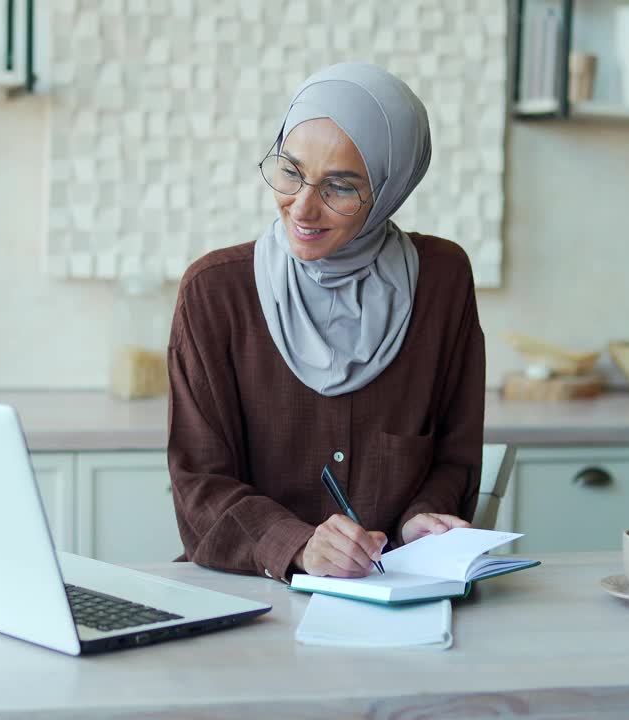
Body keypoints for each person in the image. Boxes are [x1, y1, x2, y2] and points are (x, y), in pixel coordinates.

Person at [167, 63, 485, 581]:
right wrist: (296, 545)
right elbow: (198, 485)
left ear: (390, 188)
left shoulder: (442, 282)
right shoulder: (214, 291)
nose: (303, 208)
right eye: (291, 172)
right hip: (249, 597)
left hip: (395, 594)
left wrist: (418, 521)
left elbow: (455, 454)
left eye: (340, 187)